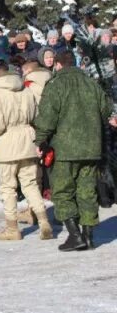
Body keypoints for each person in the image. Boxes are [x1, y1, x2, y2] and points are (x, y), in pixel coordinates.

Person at [34, 51, 111, 251]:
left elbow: (47, 116)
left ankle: (75, 235)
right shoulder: (92, 84)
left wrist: (41, 139)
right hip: (91, 148)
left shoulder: (56, 85)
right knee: (87, 191)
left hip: (64, 149)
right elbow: (106, 109)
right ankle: (89, 237)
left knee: (62, 192)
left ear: (58, 65)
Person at [0, 60, 51, 241]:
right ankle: (43, 221)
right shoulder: (25, 89)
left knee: (8, 188)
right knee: (31, 184)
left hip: (6, 144)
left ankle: (12, 228)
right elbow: (35, 115)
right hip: (28, 140)